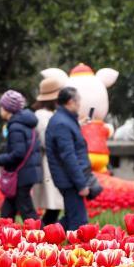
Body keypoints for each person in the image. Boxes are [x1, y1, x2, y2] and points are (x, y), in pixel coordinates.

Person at [0, 90, 42, 222]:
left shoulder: (16, 126)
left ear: (8, 109)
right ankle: (3, 235)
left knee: (27, 212)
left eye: (2, 106)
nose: (0, 109)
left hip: (21, 176)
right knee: (8, 210)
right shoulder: (24, 123)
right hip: (26, 173)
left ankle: (43, 237)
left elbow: (18, 153)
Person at [46, 87, 93, 231]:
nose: (80, 104)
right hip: (69, 180)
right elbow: (68, 157)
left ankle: (42, 238)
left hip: (69, 178)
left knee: (72, 217)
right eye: (78, 101)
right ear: (71, 102)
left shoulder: (65, 120)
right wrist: (81, 184)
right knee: (78, 222)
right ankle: (42, 238)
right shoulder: (62, 123)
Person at [33, 78, 64, 225]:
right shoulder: (42, 117)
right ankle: (45, 234)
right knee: (53, 206)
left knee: (54, 206)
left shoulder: (46, 115)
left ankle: (47, 234)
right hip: (48, 164)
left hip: (50, 163)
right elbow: (47, 141)